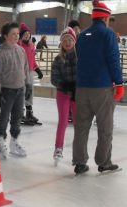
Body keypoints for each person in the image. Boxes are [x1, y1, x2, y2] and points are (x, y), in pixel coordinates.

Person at [73, 1, 124, 174]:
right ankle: (104, 162)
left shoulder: (82, 35)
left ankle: (80, 162)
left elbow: (79, 57)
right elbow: (113, 60)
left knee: (81, 127)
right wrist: (119, 83)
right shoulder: (107, 34)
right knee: (105, 127)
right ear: (105, 17)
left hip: (82, 87)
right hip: (102, 88)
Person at [0, 22, 30, 159]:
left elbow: (25, 69)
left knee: (17, 117)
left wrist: (28, 85)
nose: (16, 36)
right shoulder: (0, 53)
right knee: (4, 117)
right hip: (7, 91)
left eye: (17, 34)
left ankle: (14, 141)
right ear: (5, 35)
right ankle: (0, 139)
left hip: (20, 89)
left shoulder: (21, 50)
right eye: (13, 34)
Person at [51, 27, 77, 162]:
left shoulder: (81, 58)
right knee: (63, 121)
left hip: (77, 94)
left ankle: (78, 150)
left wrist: (78, 86)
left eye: (70, 40)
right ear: (61, 43)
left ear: (74, 41)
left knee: (79, 123)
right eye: (65, 40)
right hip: (63, 94)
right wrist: (65, 85)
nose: (67, 42)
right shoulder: (58, 59)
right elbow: (54, 79)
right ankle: (58, 148)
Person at [18, 23, 43, 126]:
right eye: (24, 34)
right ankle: (19, 114)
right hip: (21, 73)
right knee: (22, 93)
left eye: (28, 33)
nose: (27, 35)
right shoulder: (19, 45)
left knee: (29, 93)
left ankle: (29, 113)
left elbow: (32, 60)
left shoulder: (32, 45)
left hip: (29, 72)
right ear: (21, 35)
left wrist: (37, 70)